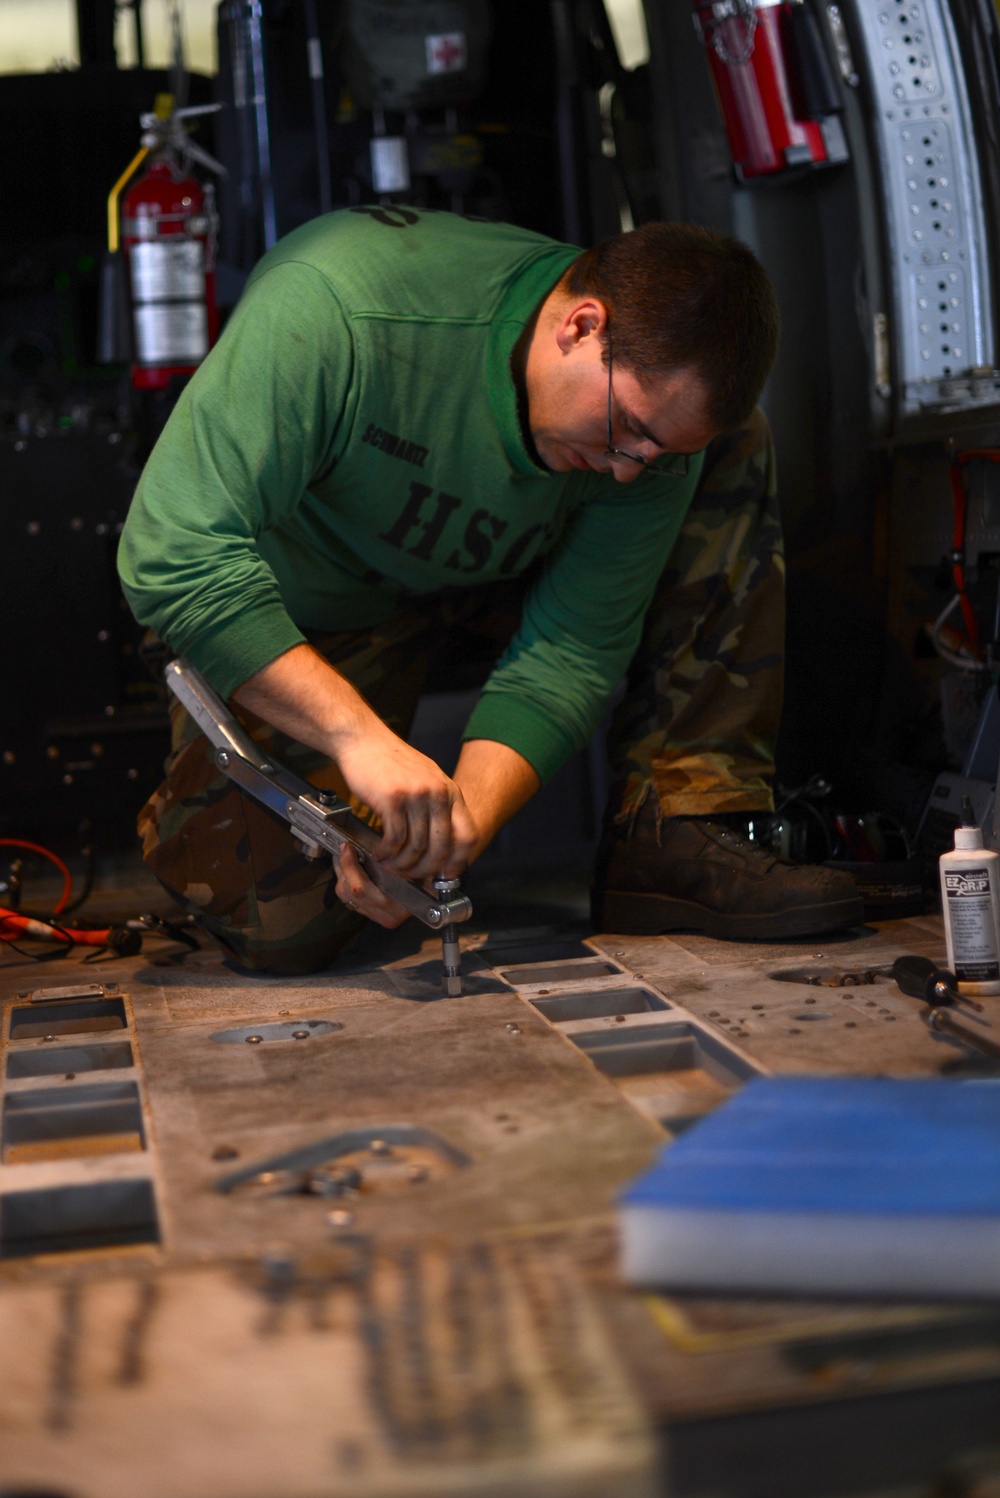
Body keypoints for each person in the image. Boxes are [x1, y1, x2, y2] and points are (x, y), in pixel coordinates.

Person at [118, 206, 861, 974]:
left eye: (654, 452)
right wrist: (357, 740)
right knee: (286, 924)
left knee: (734, 444)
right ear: (580, 326)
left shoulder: (648, 440)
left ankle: (677, 822)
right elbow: (172, 551)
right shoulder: (334, 309)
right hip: (311, 612)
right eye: (626, 428)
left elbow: (575, 646)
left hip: (501, 582)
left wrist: (450, 834)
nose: (628, 471)